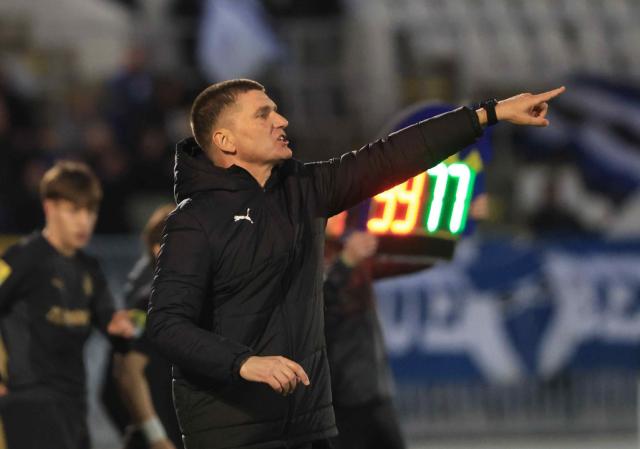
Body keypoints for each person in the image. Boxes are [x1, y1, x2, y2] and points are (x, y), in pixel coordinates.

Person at [146, 78, 564, 449]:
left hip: (307, 425)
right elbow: (166, 324)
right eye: (263, 114)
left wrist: (489, 114)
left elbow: (390, 156)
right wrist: (243, 362)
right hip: (234, 432)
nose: (282, 120)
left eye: (276, 110)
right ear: (225, 141)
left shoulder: (305, 190)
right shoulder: (193, 220)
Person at [0, 160, 135, 449]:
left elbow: (109, 319)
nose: (84, 222)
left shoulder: (90, 268)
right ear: (49, 208)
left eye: (90, 211)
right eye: (74, 211)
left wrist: (123, 325)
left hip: (74, 403)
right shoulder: (21, 258)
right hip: (31, 401)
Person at [323, 229, 405, 449]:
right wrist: (344, 264)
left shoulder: (357, 251)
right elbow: (315, 307)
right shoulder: (303, 247)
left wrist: (463, 222)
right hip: (338, 399)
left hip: (374, 392)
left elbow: (421, 256)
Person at [111, 203, 182, 449]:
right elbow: (128, 373)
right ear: (157, 250)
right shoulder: (145, 305)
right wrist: (156, 437)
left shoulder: (203, 305)